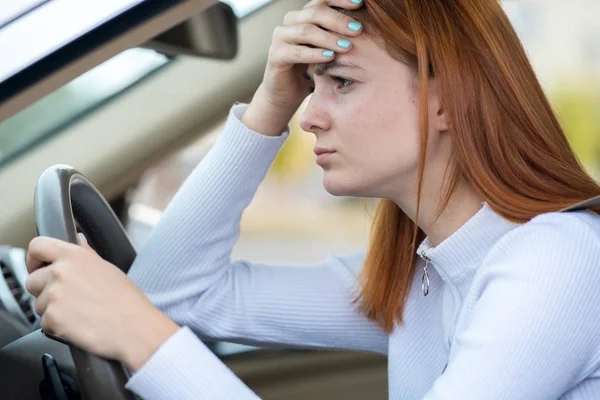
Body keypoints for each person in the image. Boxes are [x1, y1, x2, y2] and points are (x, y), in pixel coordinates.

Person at [24, 0, 600, 398]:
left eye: (342, 82)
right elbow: (173, 295)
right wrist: (269, 102)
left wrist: (138, 333)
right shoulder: (421, 277)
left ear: (444, 101)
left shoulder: (558, 258)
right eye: (307, 87)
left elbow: (147, 314)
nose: (310, 117)